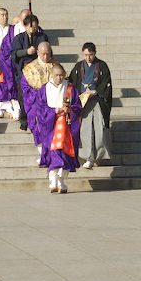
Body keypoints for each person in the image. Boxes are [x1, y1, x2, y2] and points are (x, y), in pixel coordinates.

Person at [38, 64, 82, 194]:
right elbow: (40, 108)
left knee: (65, 152)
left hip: (66, 126)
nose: (59, 78)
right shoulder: (44, 89)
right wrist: (54, 111)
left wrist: (70, 110)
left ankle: (61, 180)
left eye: (61, 75)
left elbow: (78, 106)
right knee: (54, 151)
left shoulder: (70, 88)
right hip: (51, 126)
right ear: (51, 75)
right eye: (56, 75)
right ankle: (53, 179)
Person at [68, 42, 112, 168]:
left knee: (99, 128)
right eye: (86, 55)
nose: (88, 58)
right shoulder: (78, 66)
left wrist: (96, 91)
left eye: (91, 55)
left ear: (95, 53)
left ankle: (100, 155)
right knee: (85, 129)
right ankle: (88, 157)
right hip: (82, 101)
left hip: (97, 100)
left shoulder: (102, 66)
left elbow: (106, 83)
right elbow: (72, 82)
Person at [19, 41, 64, 153]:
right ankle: (42, 153)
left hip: (54, 103)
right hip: (37, 104)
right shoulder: (29, 69)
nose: (46, 57)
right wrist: (40, 95)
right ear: (38, 52)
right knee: (38, 127)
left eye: (48, 54)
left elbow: (64, 83)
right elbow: (25, 88)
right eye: (43, 54)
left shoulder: (56, 66)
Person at [10, 14, 50, 132]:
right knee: (23, 97)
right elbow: (14, 53)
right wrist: (26, 51)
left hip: (39, 71)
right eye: (30, 26)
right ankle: (24, 120)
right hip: (25, 71)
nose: (33, 29)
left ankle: (40, 119)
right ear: (25, 26)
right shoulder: (19, 38)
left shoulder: (42, 37)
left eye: (35, 27)